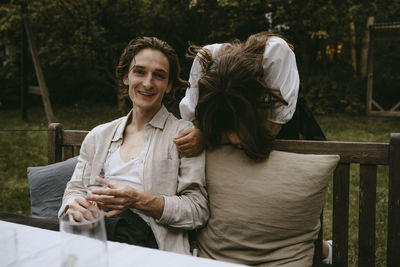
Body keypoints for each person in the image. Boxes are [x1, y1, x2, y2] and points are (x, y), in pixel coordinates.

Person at [174, 31, 331, 263]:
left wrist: (214, 136)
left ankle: (323, 252)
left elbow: (269, 130)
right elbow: (196, 118)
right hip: (234, 130)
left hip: (283, 134)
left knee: (280, 214)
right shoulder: (205, 59)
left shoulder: (276, 54)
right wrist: (210, 131)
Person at [58, 36, 209, 255]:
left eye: (158, 76)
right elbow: (75, 189)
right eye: (139, 72)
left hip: (146, 243)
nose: (147, 83)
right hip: (94, 233)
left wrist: (138, 200)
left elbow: (197, 210)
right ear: (126, 77)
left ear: (168, 86)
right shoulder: (99, 135)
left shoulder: (183, 135)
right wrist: (74, 205)